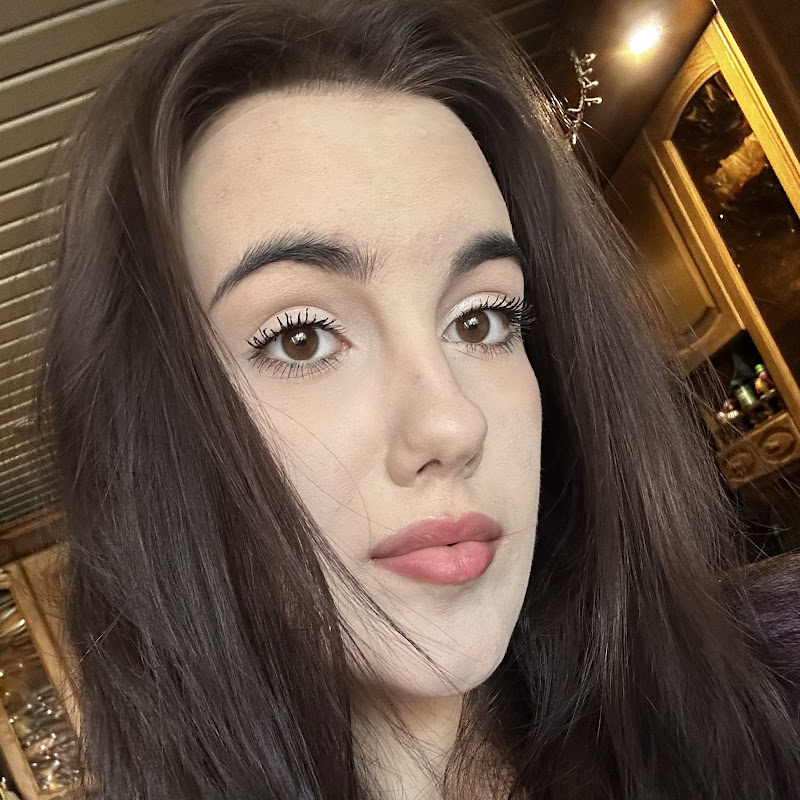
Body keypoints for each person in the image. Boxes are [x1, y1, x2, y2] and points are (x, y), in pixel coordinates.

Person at [35, 0, 800, 798]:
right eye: (302, 337)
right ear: (150, 443)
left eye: (481, 319)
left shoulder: (772, 700)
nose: (453, 423)